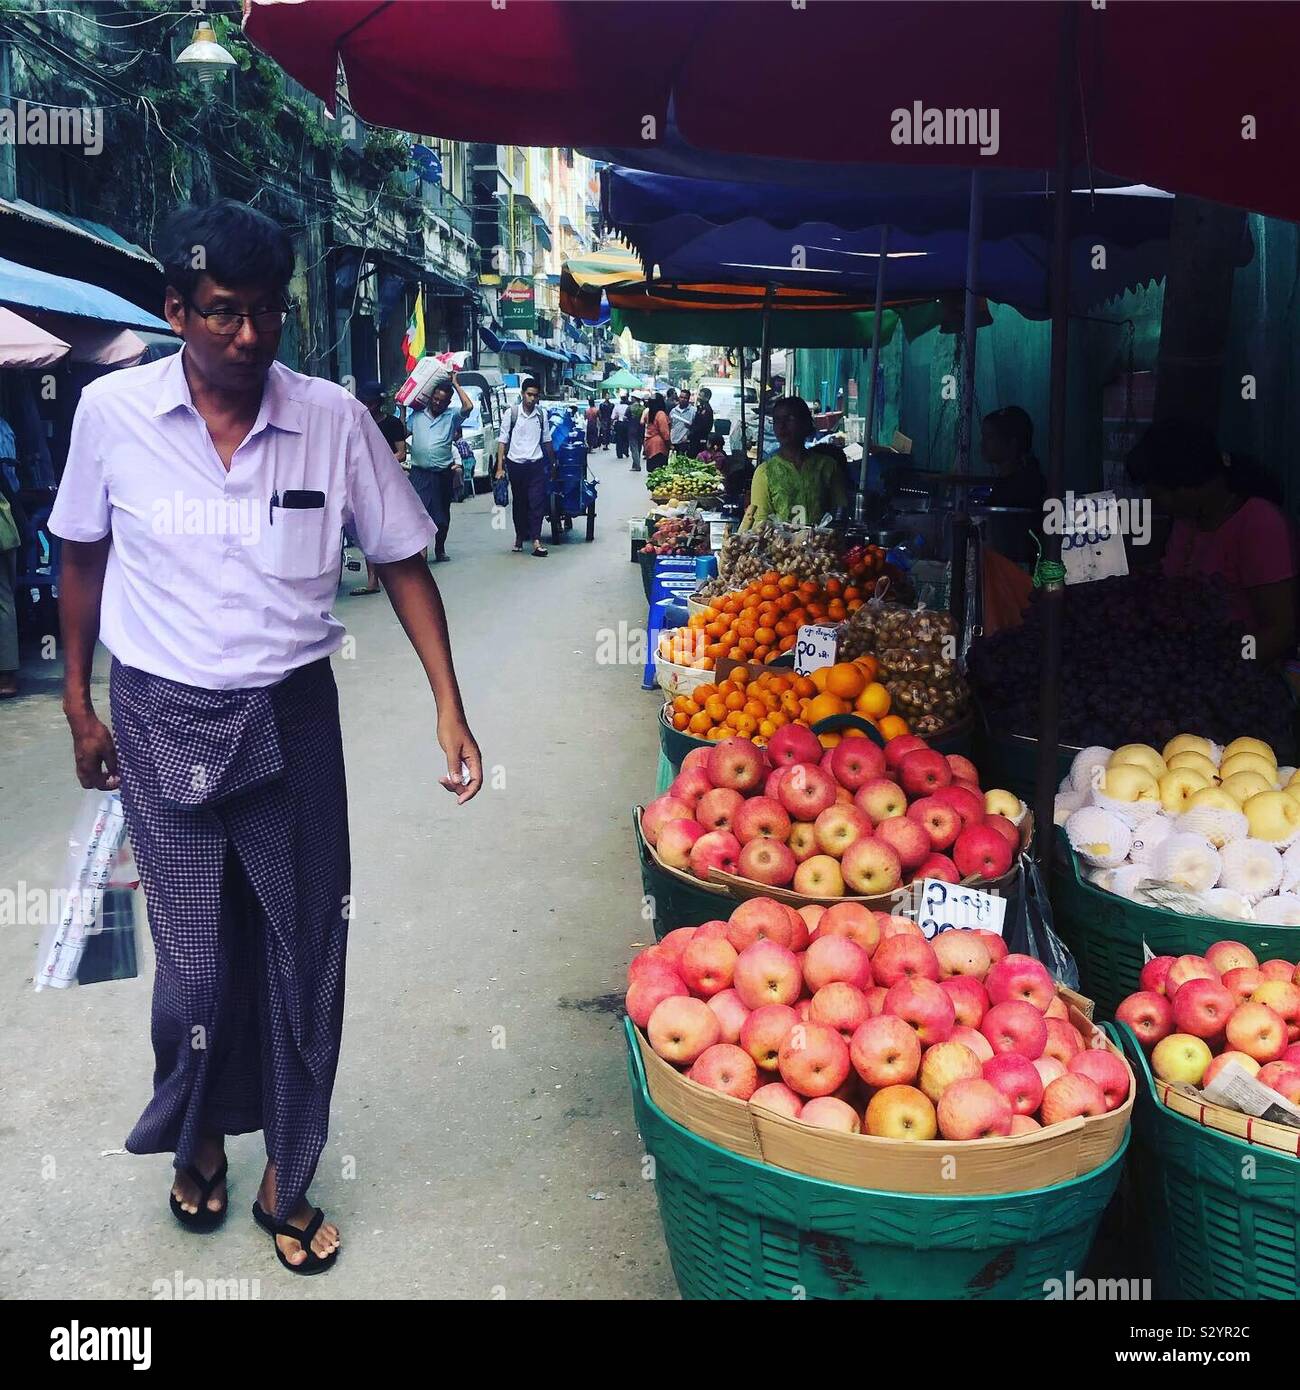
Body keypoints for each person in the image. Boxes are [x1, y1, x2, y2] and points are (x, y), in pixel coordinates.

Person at [47, 198, 481, 1274]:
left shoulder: (331, 417)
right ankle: (196, 1135)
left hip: (291, 719)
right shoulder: (109, 414)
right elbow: (80, 556)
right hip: (158, 718)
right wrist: (76, 699)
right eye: (221, 313)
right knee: (194, 973)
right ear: (175, 310)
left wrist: (448, 703)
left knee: (303, 959)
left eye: (267, 314)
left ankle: (290, 1171)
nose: (247, 336)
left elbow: (399, 559)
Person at [1127, 418, 1297, 661]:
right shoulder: (1188, 519)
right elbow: (1178, 576)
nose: (1153, 502)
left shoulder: (1259, 524)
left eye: (1157, 494)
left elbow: (1281, 631)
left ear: (1189, 485)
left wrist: (1219, 667)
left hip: (1240, 676)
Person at [739, 396, 845, 531]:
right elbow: (760, 523)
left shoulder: (827, 466)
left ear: (806, 423)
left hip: (821, 548)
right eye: (777, 420)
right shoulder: (765, 472)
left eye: (790, 419)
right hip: (780, 549)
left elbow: (840, 513)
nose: (782, 426)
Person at [408, 372, 473, 563]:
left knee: (442, 515)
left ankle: (440, 547)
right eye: (435, 399)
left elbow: (468, 406)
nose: (437, 403)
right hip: (419, 473)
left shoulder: (451, 416)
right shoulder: (417, 416)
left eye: (442, 401)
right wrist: (403, 409)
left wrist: (455, 383)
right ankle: (421, 550)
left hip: (442, 474)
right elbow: (405, 430)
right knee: (418, 514)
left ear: (447, 403)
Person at [351, 383, 410, 593]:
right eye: (364, 402)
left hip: (389, 483)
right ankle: (372, 581)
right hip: (363, 484)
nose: (368, 406)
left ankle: (402, 576)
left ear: (379, 403)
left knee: (393, 530)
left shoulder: (392, 424)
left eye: (372, 402)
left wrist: (377, 463)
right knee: (368, 530)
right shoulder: (356, 423)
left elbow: (401, 453)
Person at [496, 377, 557, 557]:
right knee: (520, 503)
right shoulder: (512, 413)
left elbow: (546, 440)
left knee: (536, 502)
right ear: (523, 394)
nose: (531, 399)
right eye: (529, 394)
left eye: (535, 396)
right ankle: (519, 536)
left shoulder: (541, 415)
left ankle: (536, 541)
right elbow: (502, 441)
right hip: (516, 465)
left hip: (536, 464)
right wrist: (500, 467)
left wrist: (553, 462)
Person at [642, 392, 672, 471]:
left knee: (652, 470)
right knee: (660, 470)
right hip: (659, 446)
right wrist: (670, 445)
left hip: (649, 444)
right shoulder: (660, 414)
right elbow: (664, 433)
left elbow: (643, 422)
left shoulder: (649, 413)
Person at [687, 386, 715, 457]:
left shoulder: (706, 410)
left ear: (707, 397)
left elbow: (702, 425)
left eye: (700, 396)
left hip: (700, 439)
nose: (698, 397)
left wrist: (691, 429)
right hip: (696, 438)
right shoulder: (701, 407)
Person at [627, 394, 645, 473]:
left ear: (634, 398)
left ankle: (637, 465)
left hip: (632, 429)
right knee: (639, 447)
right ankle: (634, 465)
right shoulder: (643, 408)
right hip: (641, 430)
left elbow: (625, 417)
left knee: (633, 448)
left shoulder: (630, 408)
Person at [612, 392, 630, 458]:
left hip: (619, 424)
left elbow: (613, 417)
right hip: (626, 424)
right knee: (626, 438)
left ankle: (619, 454)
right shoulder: (628, 407)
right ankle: (626, 451)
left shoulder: (617, 407)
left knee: (619, 439)